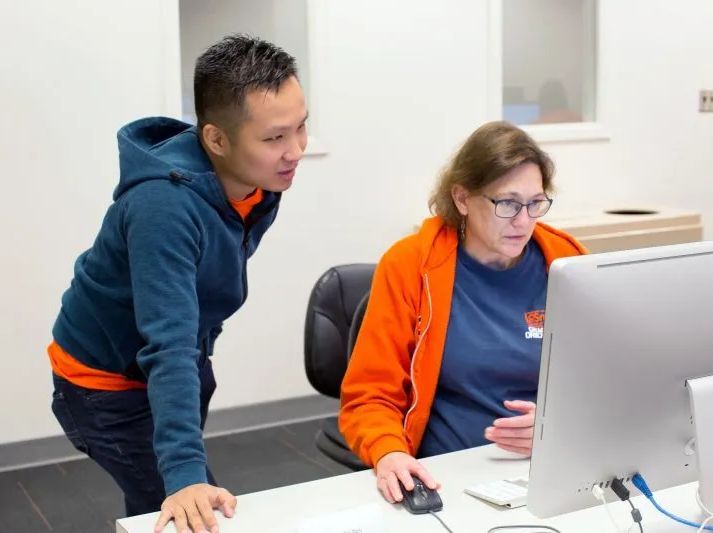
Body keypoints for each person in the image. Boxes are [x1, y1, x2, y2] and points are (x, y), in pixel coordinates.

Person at [48, 34, 308, 533]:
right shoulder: (163, 207)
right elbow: (166, 342)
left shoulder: (256, 184)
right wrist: (185, 474)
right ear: (216, 139)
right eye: (275, 137)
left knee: (154, 508)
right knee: (191, 513)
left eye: (301, 128)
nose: (295, 150)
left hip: (172, 362)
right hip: (106, 383)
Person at [339, 121, 587, 505]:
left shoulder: (566, 261)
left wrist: (556, 425)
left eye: (535, 203)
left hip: (549, 467)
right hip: (447, 474)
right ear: (462, 199)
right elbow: (370, 396)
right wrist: (389, 451)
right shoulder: (411, 265)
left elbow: (600, 381)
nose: (524, 221)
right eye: (507, 203)